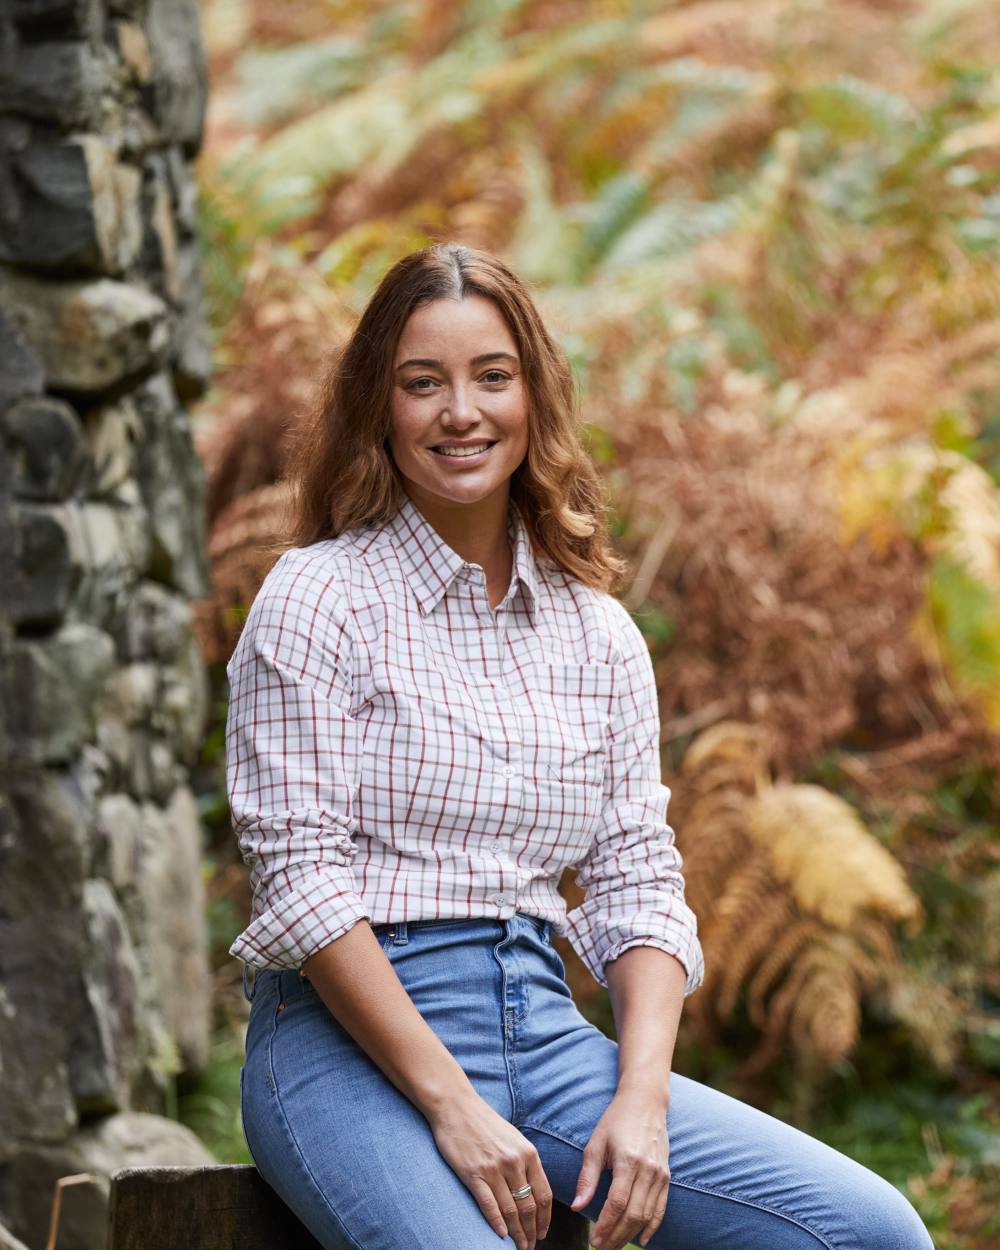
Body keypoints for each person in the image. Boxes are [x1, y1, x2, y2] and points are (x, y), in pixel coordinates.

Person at [226, 242, 934, 1250]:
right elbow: (300, 882)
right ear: (378, 407)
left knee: (868, 1231)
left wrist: (641, 1101)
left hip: (544, 1028)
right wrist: (455, 1108)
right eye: (421, 383)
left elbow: (638, 882)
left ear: (534, 396)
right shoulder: (319, 596)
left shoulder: (593, 631)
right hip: (347, 1046)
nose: (460, 411)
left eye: (491, 377)